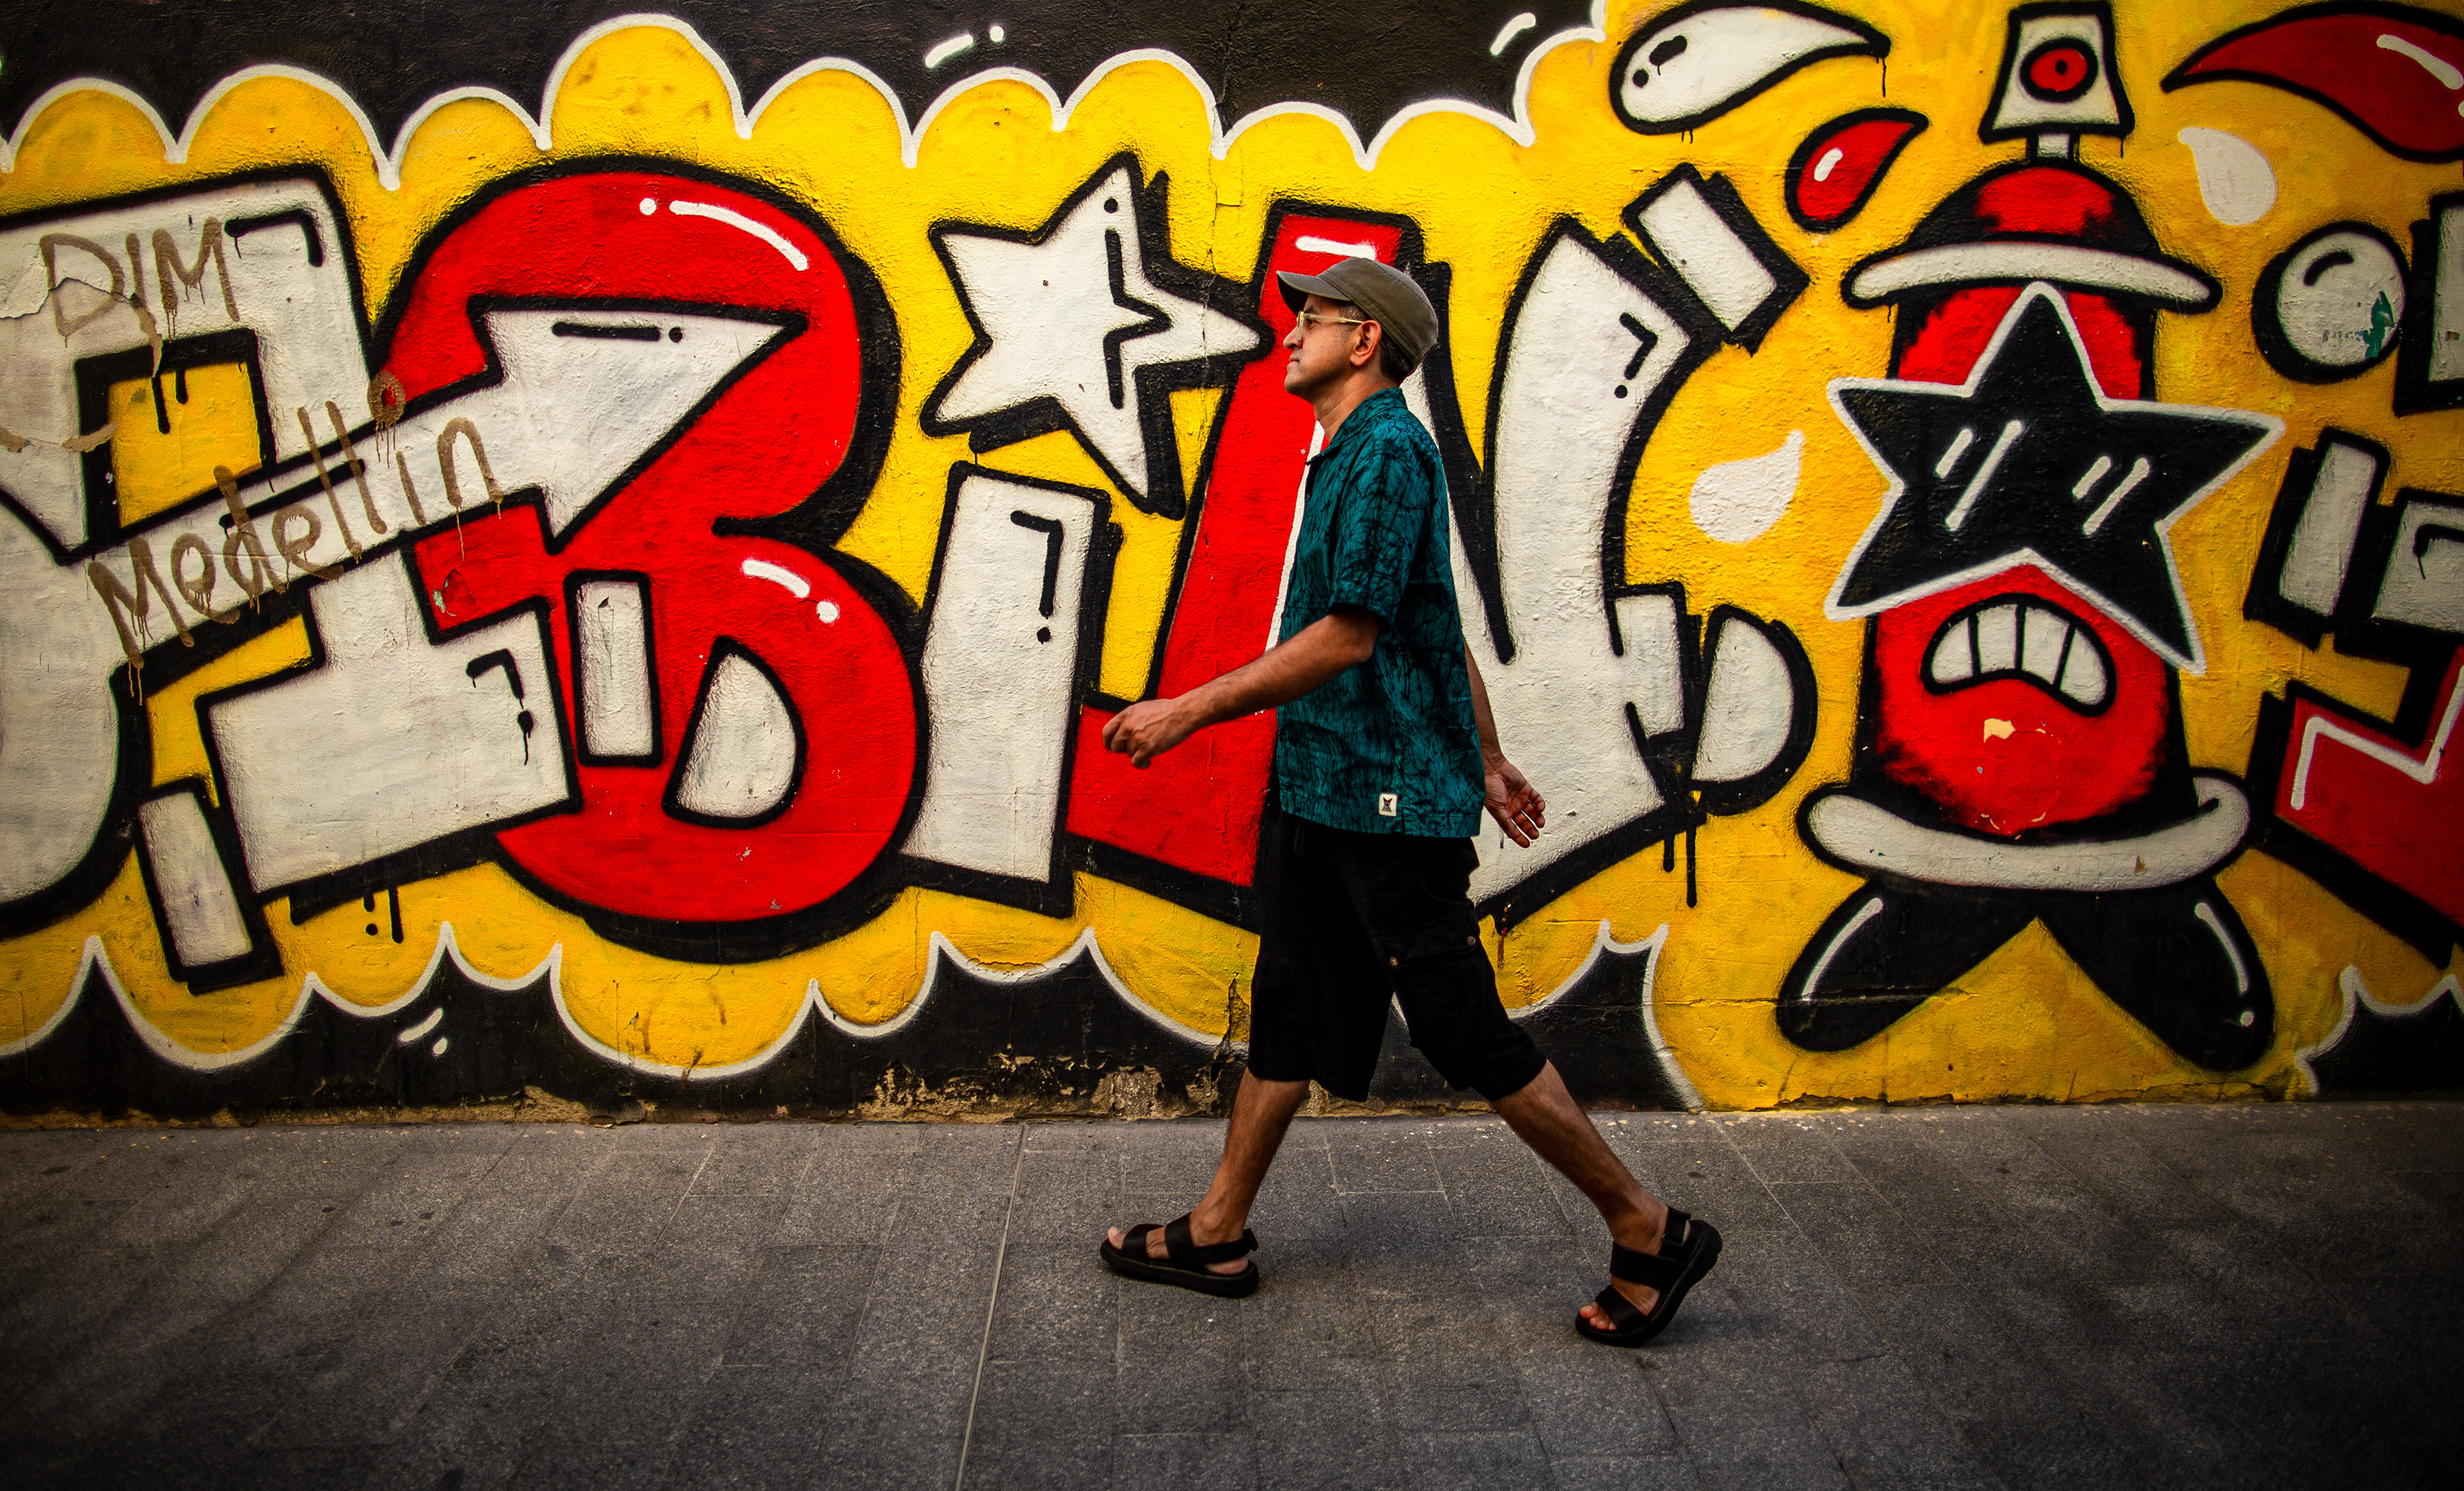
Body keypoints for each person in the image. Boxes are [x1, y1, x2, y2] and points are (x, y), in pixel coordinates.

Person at [1094, 255, 1719, 1347]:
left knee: (1461, 1027)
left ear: (1365, 339)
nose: (1291, 333)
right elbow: (1434, 618)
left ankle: (1646, 1226)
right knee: (1291, 1004)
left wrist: (1187, 710)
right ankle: (1218, 1231)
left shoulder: (1387, 450)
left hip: (1382, 804)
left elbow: (1350, 635)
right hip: (1323, 791)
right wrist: (1487, 753)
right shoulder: (1348, 451)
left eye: (1312, 317)